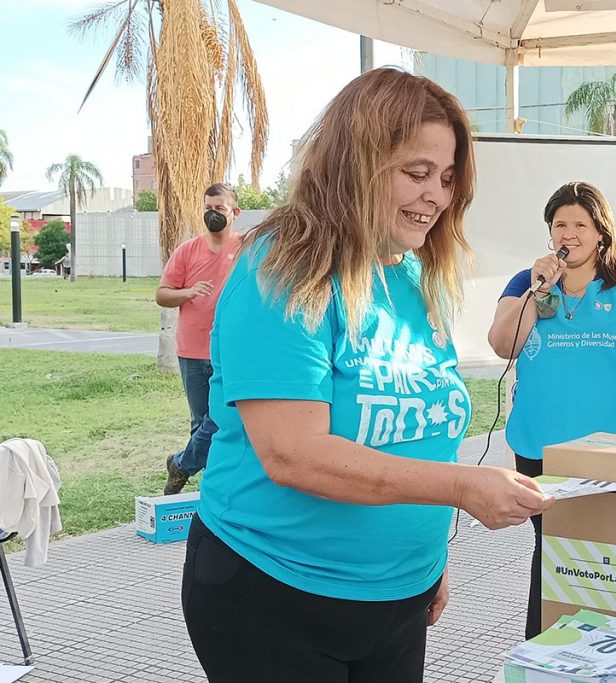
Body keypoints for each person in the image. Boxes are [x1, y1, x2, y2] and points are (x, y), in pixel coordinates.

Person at [181, 67, 553, 683]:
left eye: (448, 177)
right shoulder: (282, 270)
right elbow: (295, 455)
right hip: (274, 596)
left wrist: (424, 559)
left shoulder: (410, 276)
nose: (437, 194)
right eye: (417, 172)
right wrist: (461, 488)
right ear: (355, 162)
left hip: (397, 599)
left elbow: (415, 427)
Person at [487, 181, 616, 639]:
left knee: (609, 553)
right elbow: (501, 345)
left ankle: (614, 644)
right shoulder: (526, 284)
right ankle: (545, 645)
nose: (568, 234)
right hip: (539, 448)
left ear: (600, 232)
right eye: (559, 225)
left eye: (579, 225)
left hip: (611, 452)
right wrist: (535, 292)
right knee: (550, 549)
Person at [157, 183, 242, 496]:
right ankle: (210, 492)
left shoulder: (247, 249)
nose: (213, 214)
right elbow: (162, 295)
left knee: (220, 416)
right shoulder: (188, 250)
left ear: (234, 212)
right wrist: (188, 292)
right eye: (208, 208)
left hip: (230, 351)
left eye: (219, 208)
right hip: (192, 351)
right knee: (201, 423)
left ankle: (181, 465)